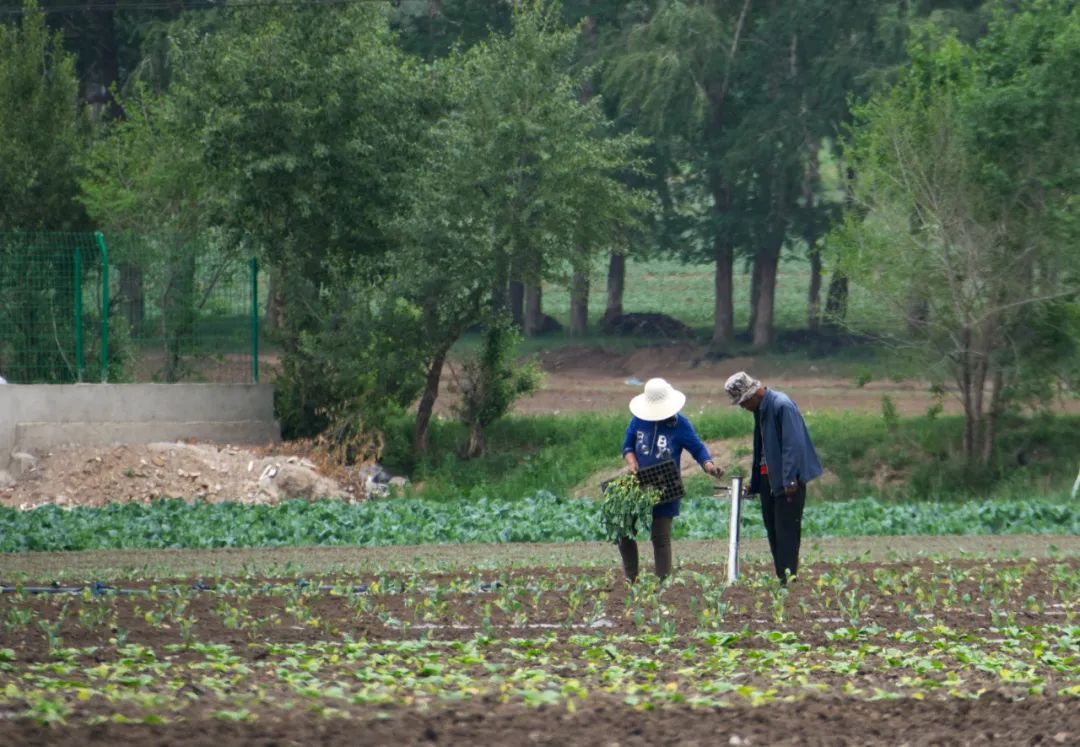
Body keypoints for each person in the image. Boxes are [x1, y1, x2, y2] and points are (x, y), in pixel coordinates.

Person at [620, 377, 723, 582]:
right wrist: (632, 463)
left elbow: (697, 448)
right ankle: (631, 578)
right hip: (639, 483)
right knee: (624, 531)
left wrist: (708, 465)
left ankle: (663, 582)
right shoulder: (638, 420)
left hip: (665, 483)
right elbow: (627, 446)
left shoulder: (680, 424)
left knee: (660, 537)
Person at [724, 371, 822, 585]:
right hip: (769, 478)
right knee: (773, 529)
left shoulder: (781, 406)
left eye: (742, 402)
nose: (742, 407)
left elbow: (792, 445)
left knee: (786, 530)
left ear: (753, 394)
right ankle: (782, 577)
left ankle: (788, 578)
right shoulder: (760, 410)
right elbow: (762, 450)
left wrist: (789, 480)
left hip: (788, 480)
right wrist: (756, 482)